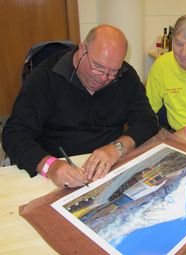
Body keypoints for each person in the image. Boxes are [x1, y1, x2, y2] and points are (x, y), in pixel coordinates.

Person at [2, 25, 159, 188]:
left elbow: (147, 121)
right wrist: (50, 167)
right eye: (98, 67)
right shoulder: (45, 77)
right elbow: (14, 134)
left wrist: (117, 148)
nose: (103, 78)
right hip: (56, 172)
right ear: (82, 48)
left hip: (109, 167)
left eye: (112, 72)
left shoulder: (125, 75)